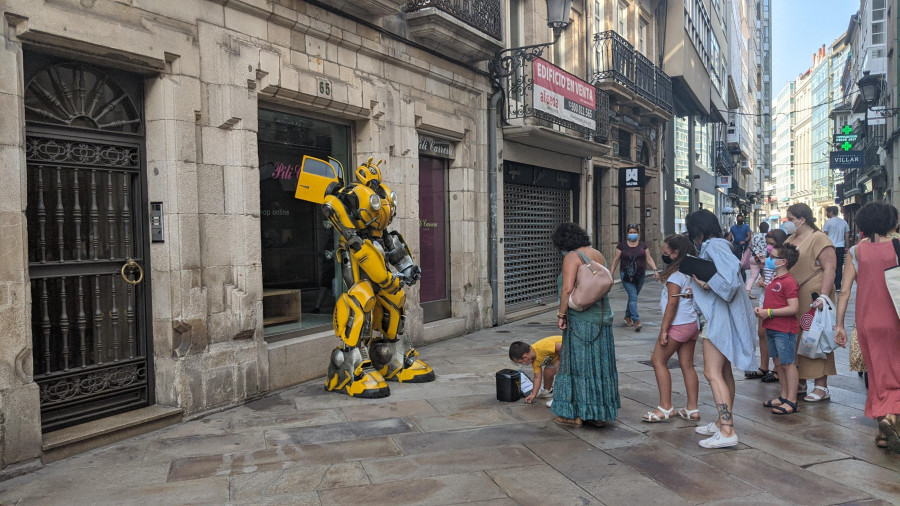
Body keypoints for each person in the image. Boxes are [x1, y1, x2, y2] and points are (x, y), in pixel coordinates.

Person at [684, 209, 758, 448]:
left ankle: (727, 430)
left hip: (718, 320)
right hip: (719, 316)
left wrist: (704, 283)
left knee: (712, 373)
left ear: (698, 231)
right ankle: (721, 422)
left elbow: (729, 283)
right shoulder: (719, 245)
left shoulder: (714, 246)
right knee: (723, 373)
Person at [835, 202, 900, 454]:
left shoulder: (856, 251)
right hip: (894, 318)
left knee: (876, 371)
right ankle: (890, 419)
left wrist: (839, 324)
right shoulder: (897, 247)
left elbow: (845, 291)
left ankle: (883, 430)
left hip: (867, 321)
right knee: (895, 369)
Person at [552, 222, 619, 428]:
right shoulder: (597, 254)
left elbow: (567, 289)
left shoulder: (572, 257)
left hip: (580, 321)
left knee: (579, 366)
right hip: (602, 319)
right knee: (598, 366)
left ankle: (575, 414)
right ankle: (597, 415)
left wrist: (561, 314)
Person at [642, 234, 701, 423]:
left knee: (658, 360)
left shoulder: (676, 277)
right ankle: (692, 408)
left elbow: (672, 305)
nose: (663, 254)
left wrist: (664, 329)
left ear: (675, 253)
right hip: (692, 324)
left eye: (665, 251)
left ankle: (665, 407)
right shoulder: (692, 273)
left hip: (679, 324)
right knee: (687, 365)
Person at [784, 203, 837, 402]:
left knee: (815, 336)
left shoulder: (819, 238)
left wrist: (824, 295)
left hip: (813, 294)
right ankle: (801, 379)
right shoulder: (791, 238)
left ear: (802, 219)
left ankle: (821, 386)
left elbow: (830, 267)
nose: (788, 223)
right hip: (793, 295)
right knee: (796, 337)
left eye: (790, 219)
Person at [754, 243, 801, 415]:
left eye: (772, 257)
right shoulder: (774, 278)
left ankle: (792, 400)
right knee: (778, 363)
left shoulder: (789, 282)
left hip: (784, 329)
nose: (769, 259)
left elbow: (793, 308)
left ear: (783, 262)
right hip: (772, 327)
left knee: (788, 364)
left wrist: (769, 312)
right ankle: (783, 396)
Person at [752, 229, 789, 383]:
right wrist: (760, 280)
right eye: (767, 245)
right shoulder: (769, 259)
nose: (768, 248)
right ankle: (763, 366)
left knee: (774, 335)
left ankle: (776, 369)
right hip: (764, 298)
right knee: (762, 333)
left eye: (771, 244)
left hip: (775, 300)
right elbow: (764, 275)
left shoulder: (781, 259)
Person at [610, 224, 659, 332]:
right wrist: (611, 275)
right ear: (627, 233)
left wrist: (655, 270)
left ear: (638, 233)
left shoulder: (643, 246)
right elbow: (615, 260)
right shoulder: (621, 246)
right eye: (630, 232)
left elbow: (649, 258)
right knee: (633, 296)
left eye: (634, 232)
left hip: (640, 275)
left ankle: (627, 316)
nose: (632, 234)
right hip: (626, 276)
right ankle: (636, 320)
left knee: (634, 297)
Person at [509, 336, 561, 406]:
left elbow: (562, 347)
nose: (522, 364)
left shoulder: (543, 347)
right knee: (548, 371)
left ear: (525, 356)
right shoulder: (535, 361)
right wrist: (533, 394)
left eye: (521, 362)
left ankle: (561, 399)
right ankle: (547, 391)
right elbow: (537, 377)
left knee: (561, 371)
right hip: (556, 357)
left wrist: (560, 360)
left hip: (572, 351)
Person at [822, 206, 850, 291]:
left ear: (831, 212)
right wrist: (847, 246)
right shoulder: (843, 222)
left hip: (830, 247)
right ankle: (838, 285)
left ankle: (830, 285)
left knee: (829, 266)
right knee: (839, 266)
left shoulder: (828, 223)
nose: (827, 214)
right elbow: (846, 235)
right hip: (840, 247)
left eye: (827, 212)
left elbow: (825, 235)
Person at [745, 222, 769, 299]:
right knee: (768, 274)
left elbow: (751, 245)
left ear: (759, 228)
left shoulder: (755, 236)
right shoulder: (769, 237)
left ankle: (747, 290)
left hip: (753, 258)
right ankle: (768, 292)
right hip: (763, 259)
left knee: (753, 276)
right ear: (768, 228)